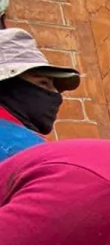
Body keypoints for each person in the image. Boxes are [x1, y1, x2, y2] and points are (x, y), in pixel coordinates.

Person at [0, 28, 81, 160]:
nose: (56, 94)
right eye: (43, 83)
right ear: (7, 85)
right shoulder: (22, 150)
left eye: (56, 87)